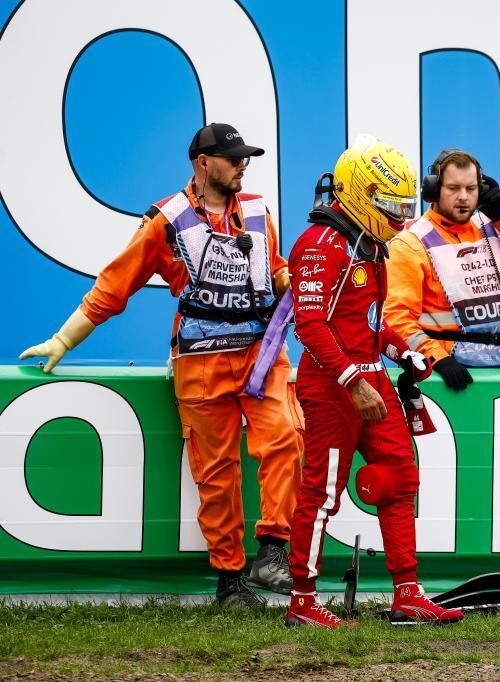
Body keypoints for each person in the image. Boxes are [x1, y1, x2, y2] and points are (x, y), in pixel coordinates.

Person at [19, 123, 301, 607]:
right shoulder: (165, 220)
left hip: (262, 354)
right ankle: (229, 583)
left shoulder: (258, 210)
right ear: (203, 163)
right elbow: (115, 285)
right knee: (216, 473)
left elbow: (273, 269)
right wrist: (64, 339)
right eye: (233, 158)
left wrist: (290, 279)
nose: (242, 165)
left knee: (286, 437)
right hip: (201, 360)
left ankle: (273, 551)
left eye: (245, 158)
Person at [284, 135, 464, 628]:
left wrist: (403, 351)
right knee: (322, 492)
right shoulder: (319, 245)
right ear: (361, 194)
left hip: (371, 377)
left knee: (400, 478)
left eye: (405, 206)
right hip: (332, 385)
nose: (400, 217)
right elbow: (310, 325)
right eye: (390, 205)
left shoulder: (368, 244)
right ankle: (303, 602)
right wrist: (352, 381)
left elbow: (365, 322)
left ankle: (408, 593)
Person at [384, 149, 500, 390]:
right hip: (442, 378)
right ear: (433, 191)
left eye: (471, 189)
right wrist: (435, 357)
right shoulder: (410, 244)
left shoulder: (496, 230)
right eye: (453, 188)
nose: (463, 197)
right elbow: (395, 319)